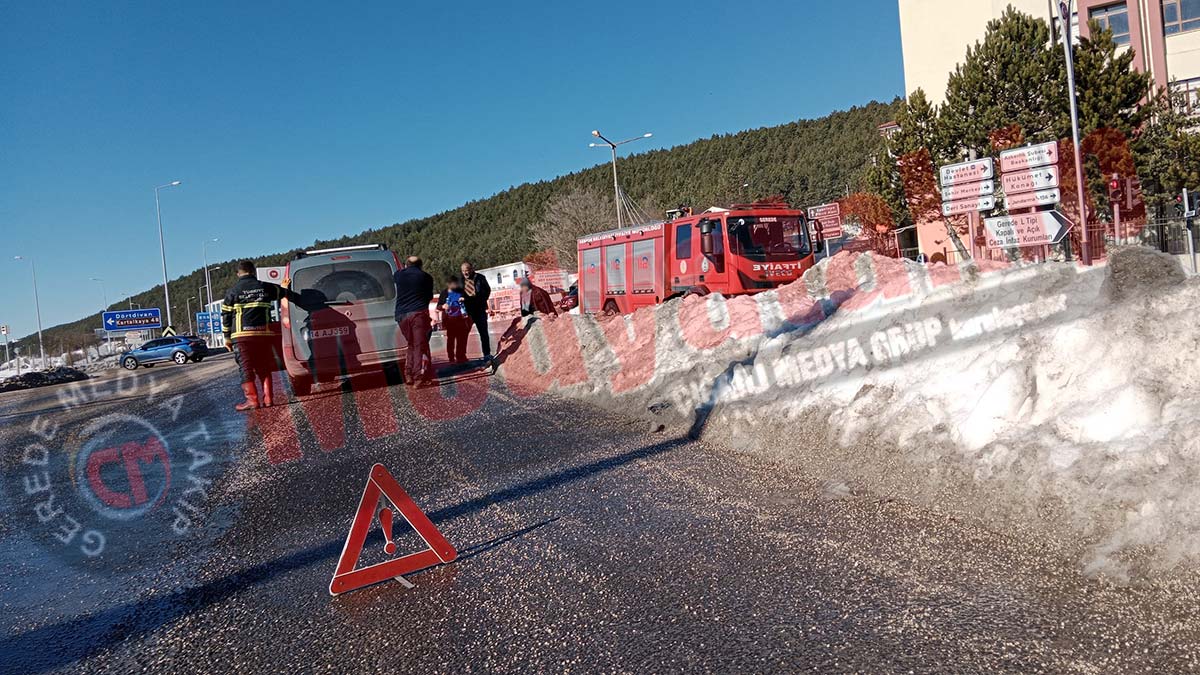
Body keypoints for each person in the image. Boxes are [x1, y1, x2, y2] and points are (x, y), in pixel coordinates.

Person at [221, 260, 287, 410]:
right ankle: (269, 398)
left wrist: (227, 337)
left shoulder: (233, 291)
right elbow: (283, 292)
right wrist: (285, 284)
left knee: (245, 368)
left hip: (241, 336)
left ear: (238, 274)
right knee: (264, 366)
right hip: (263, 334)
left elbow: (226, 315)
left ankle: (252, 400)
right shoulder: (265, 287)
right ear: (253, 271)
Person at [394, 255, 435, 385]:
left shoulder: (398, 275)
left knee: (411, 344)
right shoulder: (426, 277)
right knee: (418, 345)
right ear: (420, 265)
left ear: (406, 265)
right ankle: (418, 376)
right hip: (418, 314)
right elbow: (429, 296)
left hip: (401, 316)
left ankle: (408, 374)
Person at [460, 260, 492, 362]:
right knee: (463, 334)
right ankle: (461, 356)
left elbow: (487, 290)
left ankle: (486, 354)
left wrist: (480, 299)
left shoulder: (480, 278)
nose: (465, 273)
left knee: (483, 333)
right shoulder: (460, 281)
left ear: (472, 269)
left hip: (479, 309)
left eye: (467, 270)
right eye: (463, 271)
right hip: (467, 311)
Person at [437, 275, 471, 363]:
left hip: (461, 318)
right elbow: (438, 306)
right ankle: (451, 358)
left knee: (461, 339)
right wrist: (443, 306)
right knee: (451, 339)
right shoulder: (444, 293)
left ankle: (461, 356)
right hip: (449, 320)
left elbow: (469, 300)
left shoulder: (461, 291)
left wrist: (464, 299)